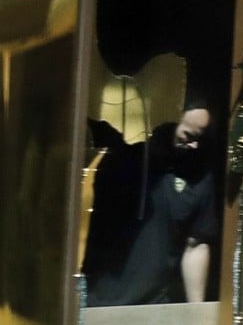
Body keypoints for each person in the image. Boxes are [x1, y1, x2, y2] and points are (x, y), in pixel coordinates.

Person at [81, 104, 218, 307]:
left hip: (154, 306)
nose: (194, 146)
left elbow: (195, 245)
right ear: (174, 122)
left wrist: (196, 311)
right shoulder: (124, 161)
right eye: (188, 135)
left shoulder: (200, 180)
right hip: (98, 302)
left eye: (200, 139)